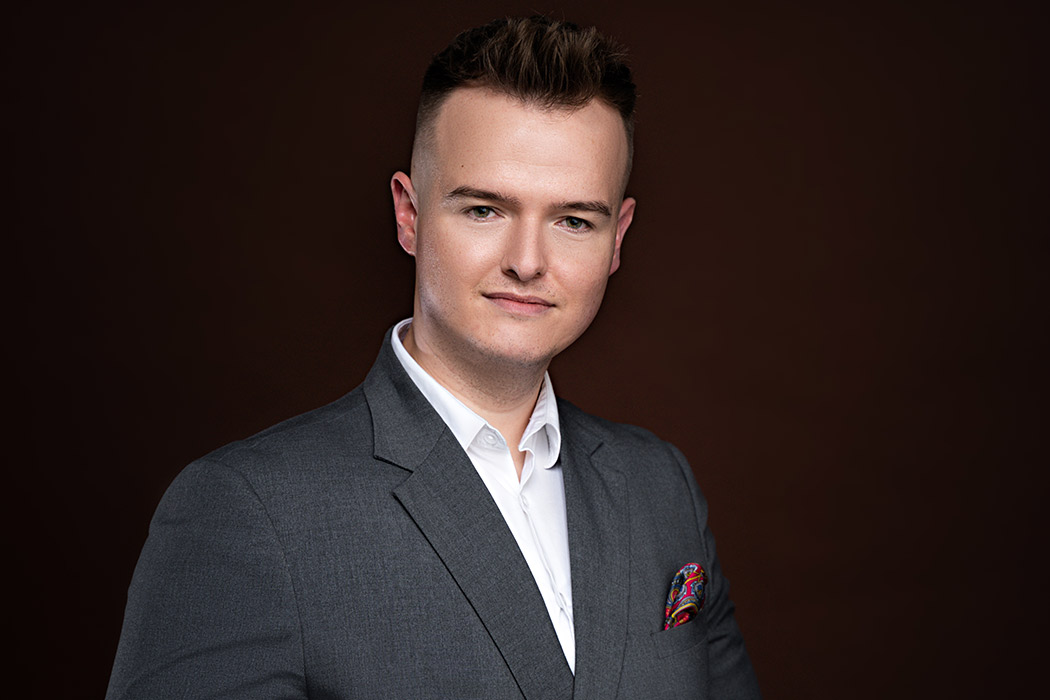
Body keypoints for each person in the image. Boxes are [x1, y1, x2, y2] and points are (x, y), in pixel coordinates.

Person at [106, 16, 760, 699]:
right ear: (409, 214)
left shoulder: (659, 486)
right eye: (484, 210)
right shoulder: (247, 513)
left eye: (573, 221)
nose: (528, 262)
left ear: (616, 237)